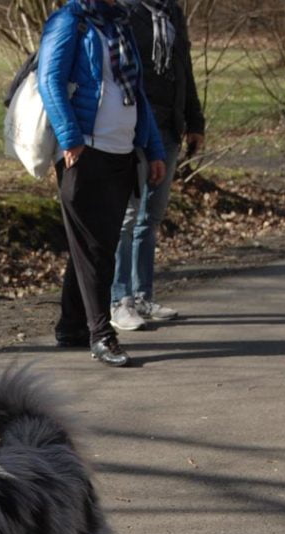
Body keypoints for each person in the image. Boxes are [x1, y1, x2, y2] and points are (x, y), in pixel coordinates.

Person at [39, 0, 167, 367]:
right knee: (94, 247)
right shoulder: (69, 22)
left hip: (122, 151)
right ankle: (101, 335)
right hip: (84, 153)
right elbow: (51, 79)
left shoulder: (119, 25)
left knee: (98, 245)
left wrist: (153, 148)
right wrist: (70, 137)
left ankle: (71, 326)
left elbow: (137, 93)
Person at [109, 0, 204, 332]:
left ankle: (142, 295)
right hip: (133, 129)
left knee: (150, 217)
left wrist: (195, 121)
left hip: (169, 127)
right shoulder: (123, 11)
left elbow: (184, 69)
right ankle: (119, 300)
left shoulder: (171, 12)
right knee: (128, 216)